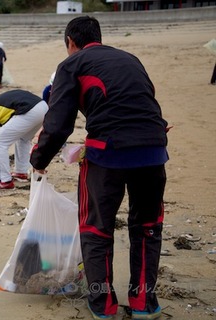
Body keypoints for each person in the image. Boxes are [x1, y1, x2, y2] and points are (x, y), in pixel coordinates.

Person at [30, 16, 169, 320]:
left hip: (109, 154)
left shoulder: (73, 63)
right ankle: (145, 304)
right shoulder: (130, 59)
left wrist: (38, 161)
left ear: (70, 42)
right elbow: (145, 103)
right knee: (147, 227)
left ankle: (103, 305)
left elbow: (58, 125)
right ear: (99, 37)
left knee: (96, 228)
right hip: (154, 149)